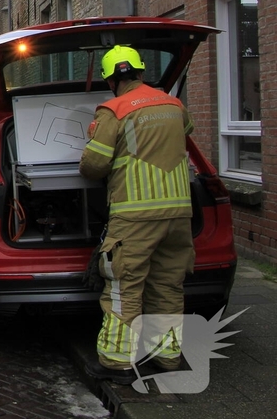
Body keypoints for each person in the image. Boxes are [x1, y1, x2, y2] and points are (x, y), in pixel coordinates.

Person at [79, 46, 195, 384]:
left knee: (123, 287)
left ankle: (116, 363)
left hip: (135, 216)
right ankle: (167, 357)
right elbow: (185, 133)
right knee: (168, 286)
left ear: (110, 80)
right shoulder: (174, 104)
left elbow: (93, 166)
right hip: (178, 214)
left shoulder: (114, 110)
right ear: (141, 72)